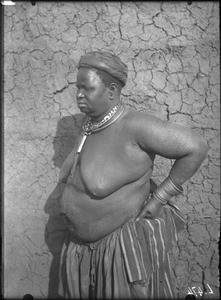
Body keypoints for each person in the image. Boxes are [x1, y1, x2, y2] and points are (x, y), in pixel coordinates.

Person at [57, 51, 208, 299]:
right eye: (77, 88)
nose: (79, 95)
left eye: (87, 88)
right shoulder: (89, 126)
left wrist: (160, 197)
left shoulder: (134, 126)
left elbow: (195, 147)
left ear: (112, 90)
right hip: (80, 254)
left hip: (118, 255)